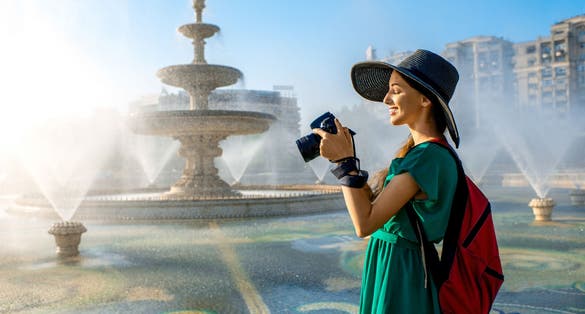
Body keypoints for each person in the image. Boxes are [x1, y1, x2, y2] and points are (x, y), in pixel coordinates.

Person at [313, 49, 461, 313]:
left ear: (425, 99)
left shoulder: (427, 157)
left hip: (402, 274)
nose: (385, 99)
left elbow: (365, 222)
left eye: (396, 90)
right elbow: (375, 208)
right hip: (396, 266)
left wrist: (344, 163)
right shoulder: (421, 154)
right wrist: (347, 158)